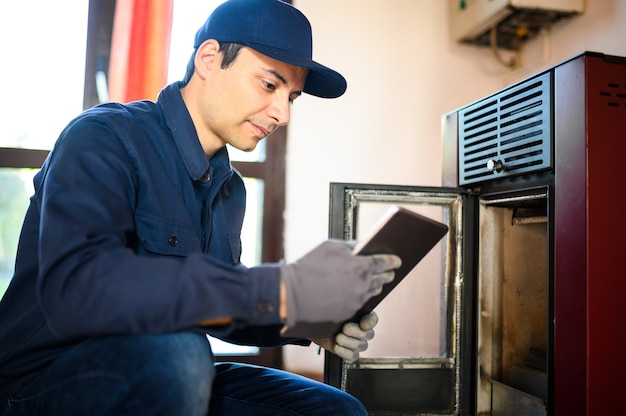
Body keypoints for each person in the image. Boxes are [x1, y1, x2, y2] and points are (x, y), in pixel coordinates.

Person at [0, 0, 401, 414]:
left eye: (292, 98)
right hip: (42, 383)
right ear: (209, 59)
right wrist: (283, 288)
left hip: (174, 374)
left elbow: (220, 307)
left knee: (336, 410)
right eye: (269, 85)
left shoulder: (229, 188)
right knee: (182, 351)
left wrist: (308, 320)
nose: (282, 114)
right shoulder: (103, 137)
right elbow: (80, 286)